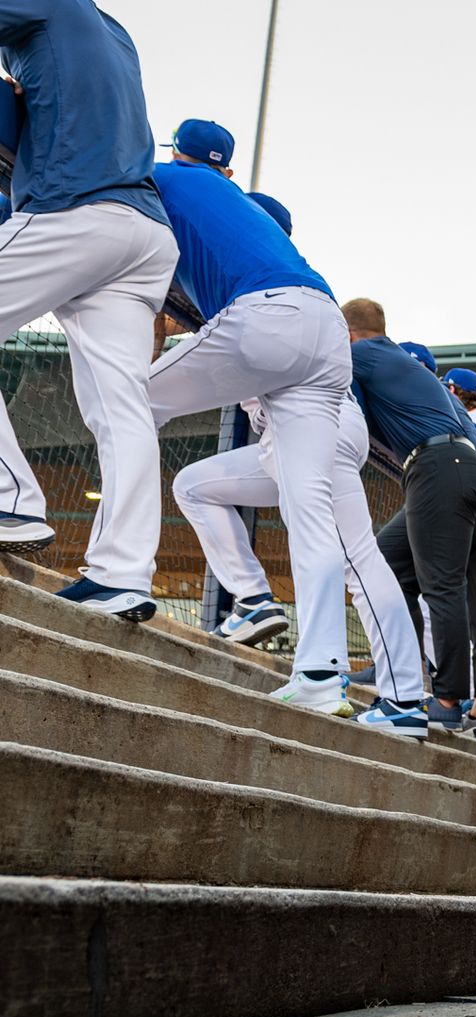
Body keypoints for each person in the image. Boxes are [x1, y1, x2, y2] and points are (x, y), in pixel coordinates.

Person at [164, 187, 427, 722]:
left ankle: (370, 688)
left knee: (355, 556)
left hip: (317, 428)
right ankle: (256, 600)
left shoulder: (250, 272)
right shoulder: (277, 273)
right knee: (194, 484)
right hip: (307, 432)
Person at [143, 120, 361, 715]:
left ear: (175, 152)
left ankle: (123, 575)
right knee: (309, 509)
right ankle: (320, 673)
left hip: (265, 317)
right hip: (327, 324)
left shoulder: (165, 175)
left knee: (131, 403)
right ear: (228, 171)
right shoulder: (246, 208)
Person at [0, 2, 179, 618]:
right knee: (120, 407)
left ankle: (12, 498)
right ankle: (122, 574)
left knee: (118, 407)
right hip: (146, 233)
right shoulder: (113, 30)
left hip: (75, 210)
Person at [345, 298, 476, 734]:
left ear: (346, 332)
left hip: (440, 468)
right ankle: (403, 669)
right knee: (387, 564)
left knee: (442, 586)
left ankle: (445, 699)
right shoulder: (417, 372)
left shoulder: (359, 353)